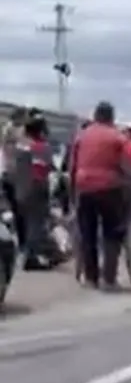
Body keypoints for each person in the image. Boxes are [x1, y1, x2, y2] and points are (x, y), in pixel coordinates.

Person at [70, 101, 131, 289]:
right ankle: (109, 279)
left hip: (85, 189)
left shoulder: (81, 136)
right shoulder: (117, 137)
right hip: (111, 189)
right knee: (112, 234)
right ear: (111, 117)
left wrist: (73, 196)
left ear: (95, 116)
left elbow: (72, 168)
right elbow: (127, 169)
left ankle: (91, 279)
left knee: (87, 234)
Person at [14, 113, 56, 270]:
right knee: (36, 225)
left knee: (28, 224)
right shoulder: (42, 147)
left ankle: (29, 254)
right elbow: (48, 167)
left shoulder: (21, 146)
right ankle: (32, 258)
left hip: (21, 188)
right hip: (36, 188)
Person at [1, 107, 28, 250]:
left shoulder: (10, 130)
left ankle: (20, 239)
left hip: (10, 174)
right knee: (18, 210)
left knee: (15, 209)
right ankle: (22, 241)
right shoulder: (13, 131)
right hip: (14, 176)